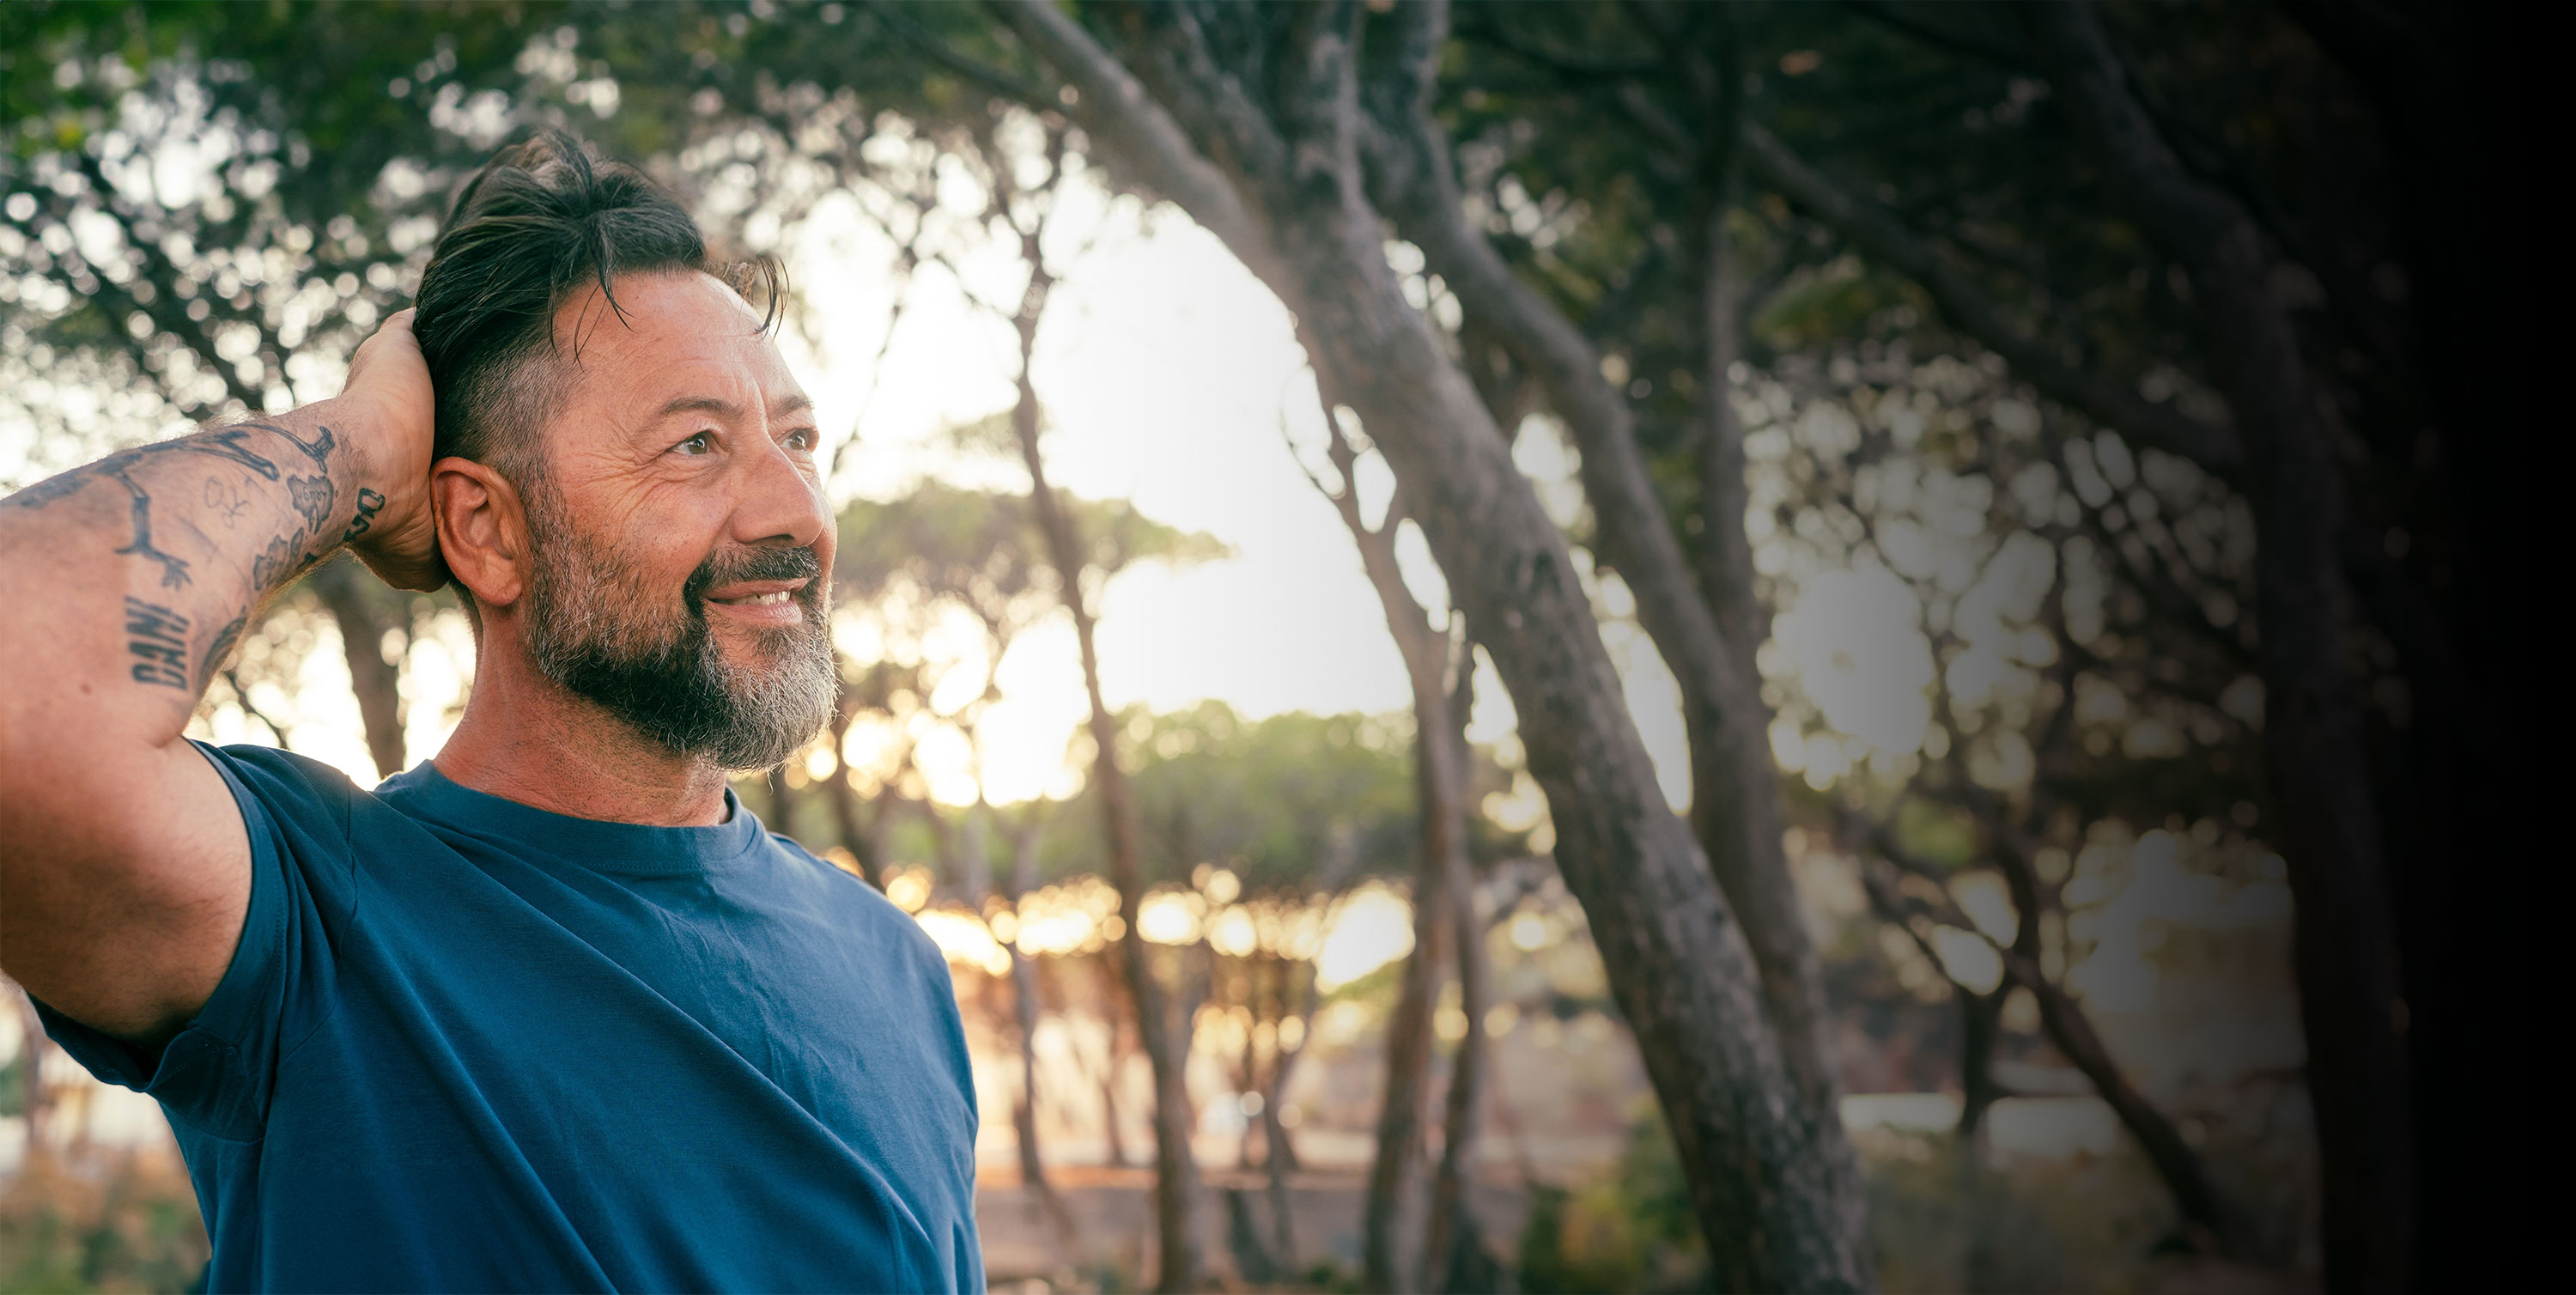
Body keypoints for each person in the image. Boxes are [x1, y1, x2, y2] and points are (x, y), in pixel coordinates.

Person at [0, 132, 983, 1292]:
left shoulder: (900, 969)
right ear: (487, 531)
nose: (796, 512)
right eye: (698, 444)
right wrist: (368, 444)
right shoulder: (316, 927)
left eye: (799, 440)